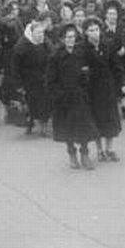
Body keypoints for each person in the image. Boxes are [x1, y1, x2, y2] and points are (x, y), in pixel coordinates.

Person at [48, 24, 99, 170]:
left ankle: (85, 154)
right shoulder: (56, 57)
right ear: (63, 39)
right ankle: (71, 154)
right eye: (68, 37)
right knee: (67, 129)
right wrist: (59, 95)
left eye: (73, 37)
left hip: (79, 95)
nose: (71, 40)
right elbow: (50, 81)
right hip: (64, 97)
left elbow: (88, 73)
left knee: (84, 128)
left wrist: (85, 76)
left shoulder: (80, 53)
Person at [82, 18, 124, 162]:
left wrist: (122, 84)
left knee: (110, 118)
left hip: (108, 87)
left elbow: (116, 66)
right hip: (92, 89)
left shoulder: (107, 45)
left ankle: (110, 148)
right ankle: (99, 150)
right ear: (86, 32)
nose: (95, 33)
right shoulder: (82, 49)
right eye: (91, 30)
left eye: (97, 30)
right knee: (97, 119)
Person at [11, 20, 52, 136]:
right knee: (31, 104)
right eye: (38, 33)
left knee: (45, 104)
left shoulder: (46, 43)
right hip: (28, 80)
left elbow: (52, 56)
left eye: (42, 33)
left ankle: (44, 127)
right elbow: (15, 67)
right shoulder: (21, 46)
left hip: (43, 79)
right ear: (31, 33)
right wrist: (18, 84)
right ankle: (30, 123)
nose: (41, 35)